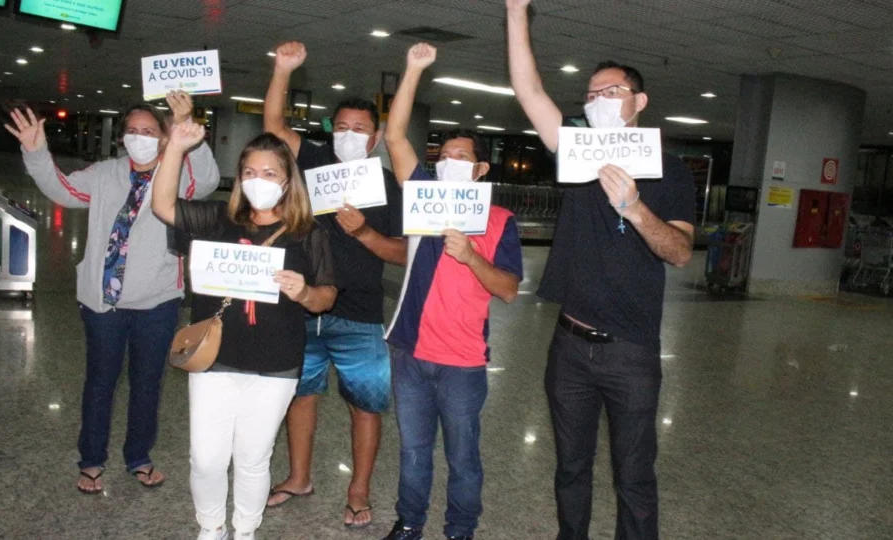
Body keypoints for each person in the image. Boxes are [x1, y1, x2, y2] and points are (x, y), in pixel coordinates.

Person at [506, 1, 697, 539]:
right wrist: (516, 12)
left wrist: (635, 207)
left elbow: (680, 251)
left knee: (634, 475)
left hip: (632, 349)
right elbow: (529, 91)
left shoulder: (670, 169)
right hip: (570, 345)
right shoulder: (578, 154)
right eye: (590, 95)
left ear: (638, 101)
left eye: (610, 92)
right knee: (570, 467)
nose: (597, 101)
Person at [4, 91, 220, 494]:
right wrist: (37, 151)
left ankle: (139, 457)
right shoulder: (105, 173)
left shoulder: (179, 172)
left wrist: (192, 134)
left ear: (163, 136)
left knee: (147, 383)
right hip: (103, 302)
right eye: (132, 131)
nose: (140, 137)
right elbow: (64, 190)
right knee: (100, 381)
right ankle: (91, 460)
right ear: (122, 138)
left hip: (157, 301)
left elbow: (207, 180)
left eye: (149, 131)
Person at [152, 123, 338, 540]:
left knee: (254, 457)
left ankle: (245, 530)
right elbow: (163, 205)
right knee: (206, 458)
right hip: (215, 356)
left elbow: (326, 297)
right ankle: (211, 526)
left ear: (288, 181)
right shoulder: (217, 219)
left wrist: (304, 291)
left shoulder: (307, 234)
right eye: (250, 173)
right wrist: (177, 148)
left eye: (270, 173)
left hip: (275, 363)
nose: (259, 181)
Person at [380, 43, 524, 540]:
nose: (449, 163)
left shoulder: (500, 221)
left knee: (463, 454)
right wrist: (414, 69)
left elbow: (508, 289)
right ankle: (410, 521)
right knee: (413, 448)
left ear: (482, 170)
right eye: (443, 156)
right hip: (409, 350)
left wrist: (471, 256)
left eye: (462, 158)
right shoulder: (423, 197)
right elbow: (395, 136)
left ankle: (460, 527)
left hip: (462, 359)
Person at [262, 41, 407, 528]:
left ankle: (359, 490)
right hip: (302, 305)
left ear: (375, 138)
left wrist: (363, 232)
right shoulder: (317, 161)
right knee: (300, 394)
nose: (348, 135)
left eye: (359, 130)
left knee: (366, 405)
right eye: (341, 127)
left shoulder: (388, 186)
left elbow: (405, 252)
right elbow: (274, 129)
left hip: (360, 312)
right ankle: (298, 476)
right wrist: (282, 70)